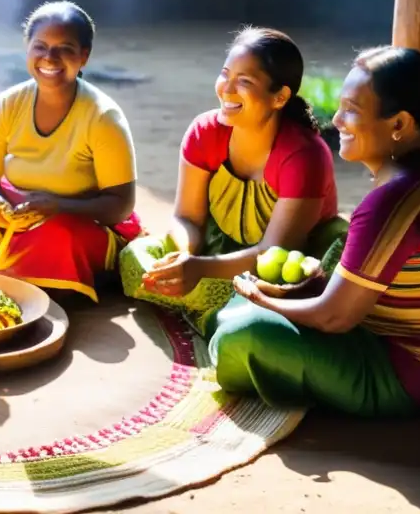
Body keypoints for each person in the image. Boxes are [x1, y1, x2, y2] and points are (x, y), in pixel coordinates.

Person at [216, 46, 420, 417]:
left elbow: (334, 318)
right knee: (317, 248)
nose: (337, 120)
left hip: (416, 375)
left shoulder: (392, 200)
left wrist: (264, 301)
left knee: (243, 333)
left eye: (352, 111)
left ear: (399, 125)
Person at [121, 28, 347, 332]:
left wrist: (199, 269)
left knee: (260, 308)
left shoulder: (304, 155)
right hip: (217, 249)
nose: (226, 90)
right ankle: (214, 309)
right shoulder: (205, 132)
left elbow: (273, 252)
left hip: (284, 268)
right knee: (136, 258)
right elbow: (186, 217)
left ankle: (228, 315)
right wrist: (185, 256)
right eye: (225, 75)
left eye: (244, 82)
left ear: (279, 97)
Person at [0, 1, 143, 302]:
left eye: (65, 48)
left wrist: (58, 206)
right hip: (15, 209)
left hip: (75, 218)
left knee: (60, 240)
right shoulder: (8, 103)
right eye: (41, 46)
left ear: (84, 56)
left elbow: (120, 205)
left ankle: (15, 268)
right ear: (27, 48)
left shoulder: (102, 117)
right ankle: (25, 268)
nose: (50, 58)